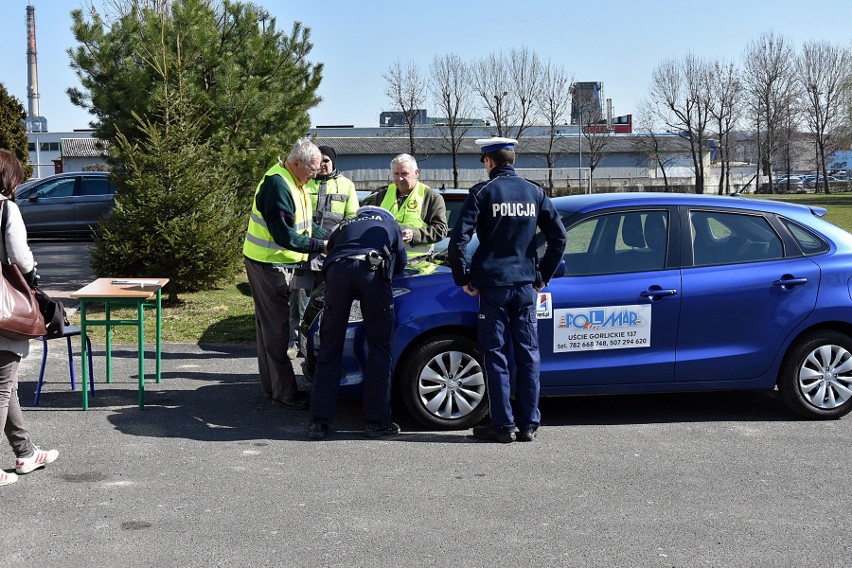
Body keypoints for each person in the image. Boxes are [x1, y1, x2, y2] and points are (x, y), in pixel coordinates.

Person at [448, 137, 567, 444]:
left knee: (496, 355)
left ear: (489, 161)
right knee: (528, 355)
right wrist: (544, 275)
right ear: (512, 160)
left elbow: (458, 240)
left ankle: (502, 425)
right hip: (526, 285)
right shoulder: (534, 192)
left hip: (494, 286)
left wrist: (462, 277)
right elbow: (559, 238)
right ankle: (528, 424)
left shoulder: (482, 193)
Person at [307, 205, 407, 440]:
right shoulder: (390, 224)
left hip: (338, 271)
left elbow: (329, 250)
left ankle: (318, 423)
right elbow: (400, 262)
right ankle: (377, 422)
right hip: (372, 270)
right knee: (379, 348)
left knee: (330, 347)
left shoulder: (344, 225)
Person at [243, 139, 327, 410]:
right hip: (268, 263)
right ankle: (285, 393)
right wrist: (322, 246)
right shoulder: (278, 185)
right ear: (297, 163)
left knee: (268, 327)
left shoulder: (294, 180)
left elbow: (305, 223)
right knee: (278, 328)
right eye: (312, 171)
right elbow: (283, 235)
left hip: (271, 262)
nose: (315, 176)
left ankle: (272, 388)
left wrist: (331, 236)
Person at [0, 149, 59, 487]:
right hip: (4, 309)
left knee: (6, 386)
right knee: (3, 385)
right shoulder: (6, 208)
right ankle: (23, 453)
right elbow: (20, 256)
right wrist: (33, 275)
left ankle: (25, 452)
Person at [288, 145, 359, 356]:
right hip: (304, 254)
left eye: (327, 161)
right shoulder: (304, 183)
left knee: (327, 302)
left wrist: (338, 242)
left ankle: (320, 343)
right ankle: (295, 343)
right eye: (320, 161)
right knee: (298, 301)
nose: (323, 165)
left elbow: (352, 218)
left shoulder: (346, 185)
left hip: (331, 256)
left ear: (333, 162)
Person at [361, 153, 447, 255]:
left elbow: (441, 230)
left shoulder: (431, 197)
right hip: (386, 262)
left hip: (418, 264)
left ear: (416, 173)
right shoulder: (382, 195)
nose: (400, 178)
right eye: (396, 174)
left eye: (404, 173)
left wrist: (414, 234)